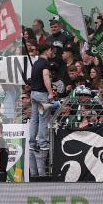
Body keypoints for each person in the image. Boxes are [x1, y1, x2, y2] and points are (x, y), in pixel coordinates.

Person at [28, 43, 56, 173]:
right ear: (48, 50)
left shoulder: (36, 63)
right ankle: (43, 143)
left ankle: (32, 142)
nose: (52, 53)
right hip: (41, 95)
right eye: (52, 51)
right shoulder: (45, 64)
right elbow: (46, 78)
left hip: (33, 94)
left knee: (34, 119)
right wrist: (50, 92)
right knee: (43, 119)